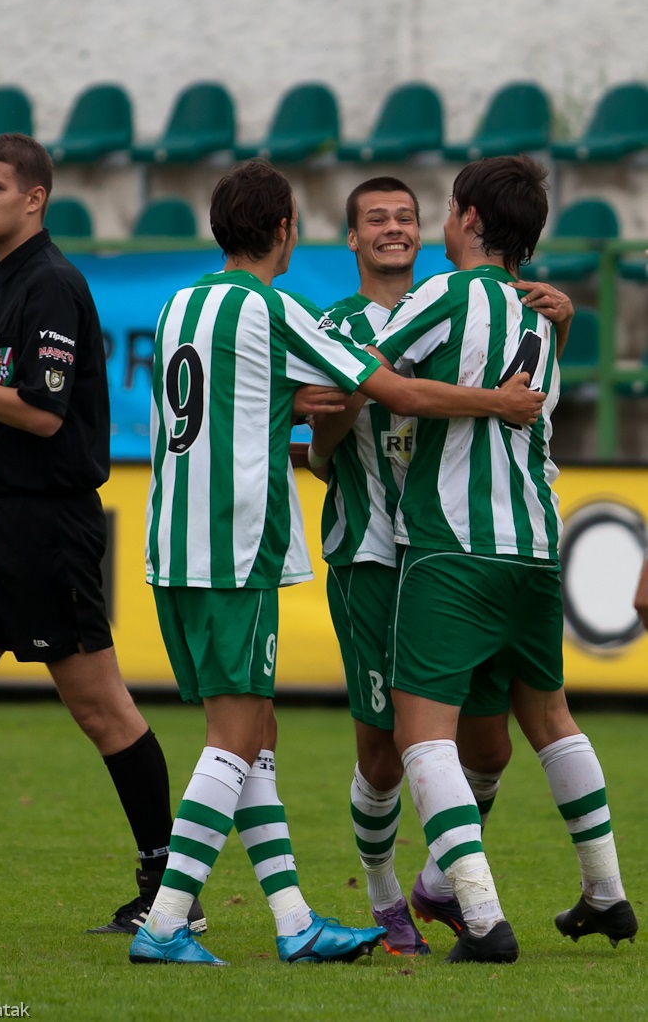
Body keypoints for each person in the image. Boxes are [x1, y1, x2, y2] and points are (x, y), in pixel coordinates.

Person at [128, 158, 545, 967]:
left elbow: (221, 401)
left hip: (172, 546)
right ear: (290, 230)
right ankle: (166, 920)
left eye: (407, 217)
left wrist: (289, 401)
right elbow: (399, 393)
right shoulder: (286, 313)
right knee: (235, 739)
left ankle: (293, 922)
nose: (394, 229)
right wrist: (502, 402)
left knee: (255, 736)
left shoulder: (181, 302)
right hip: (238, 549)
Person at [368, 155, 637, 963]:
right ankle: (606, 894)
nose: (441, 224)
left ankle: (481, 919)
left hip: (454, 548)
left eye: (449, 209)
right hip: (531, 549)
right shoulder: (539, 317)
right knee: (550, 719)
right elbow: (538, 416)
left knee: (423, 739)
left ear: (473, 219)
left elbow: (369, 366)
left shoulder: (448, 294)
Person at [310, 176, 576, 954]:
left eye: (405, 216)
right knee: (383, 749)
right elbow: (334, 412)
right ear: (352, 241)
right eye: (375, 220)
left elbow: (531, 392)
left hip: (454, 548)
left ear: (435, 230)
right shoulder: (338, 324)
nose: (393, 227)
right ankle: (390, 900)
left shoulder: (458, 304)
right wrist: (325, 449)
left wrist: (562, 319)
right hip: (372, 550)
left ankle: (448, 883)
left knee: (488, 748)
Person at [0, 133, 204, 937]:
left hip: (48, 526)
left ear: (36, 198)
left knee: (104, 711)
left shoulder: (53, 286)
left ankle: (171, 888)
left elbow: (41, 410)